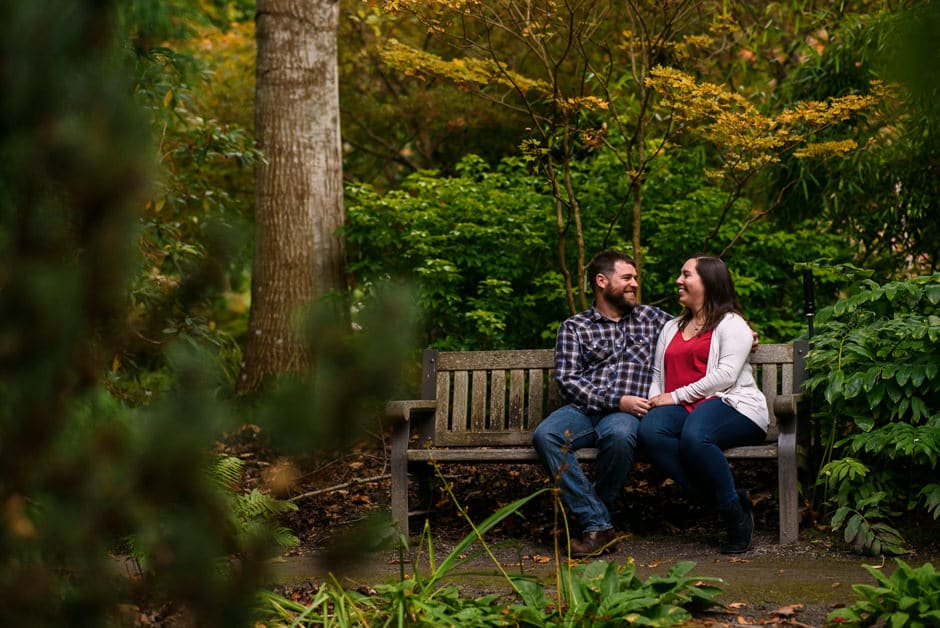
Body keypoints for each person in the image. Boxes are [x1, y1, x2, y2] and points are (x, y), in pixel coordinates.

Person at [532, 250, 672, 557]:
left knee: (620, 436)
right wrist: (615, 400)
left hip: (627, 415)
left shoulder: (653, 319)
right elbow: (568, 379)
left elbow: (699, 328)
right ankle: (598, 523)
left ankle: (592, 523)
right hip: (585, 410)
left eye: (635, 278)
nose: (634, 283)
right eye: (627, 278)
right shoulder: (575, 327)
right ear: (601, 281)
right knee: (546, 435)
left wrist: (741, 331)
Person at [638, 255, 768, 554]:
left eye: (686, 275)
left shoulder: (732, 324)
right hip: (683, 407)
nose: (678, 281)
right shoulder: (671, 327)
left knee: (696, 437)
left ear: (707, 282)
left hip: (730, 404)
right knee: (651, 432)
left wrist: (676, 396)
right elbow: (659, 373)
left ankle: (733, 518)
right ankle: (733, 500)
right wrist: (659, 401)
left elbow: (725, 376)